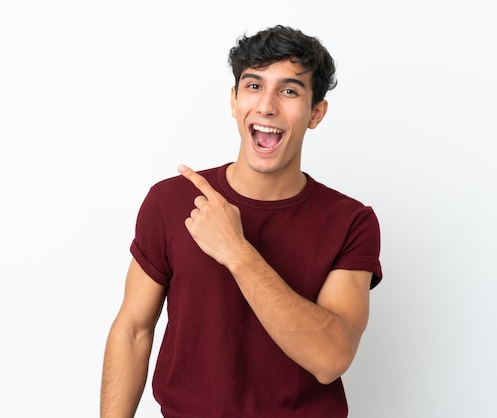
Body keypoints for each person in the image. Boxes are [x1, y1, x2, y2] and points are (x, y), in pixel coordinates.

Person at [100, 25, 382, 417]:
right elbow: (133, 331)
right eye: (253, 86)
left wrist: (236, 251)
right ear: (234, 100)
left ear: (316, 112)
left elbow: (330, 358)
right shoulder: (170, 201)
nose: (266, 106)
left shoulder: (351, 222)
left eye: (289, 91)